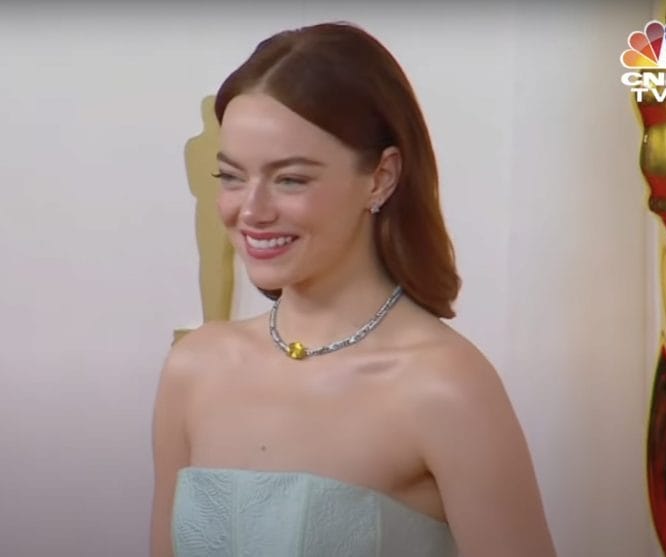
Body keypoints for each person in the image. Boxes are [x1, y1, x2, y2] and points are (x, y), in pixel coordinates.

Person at [150, 22, 555, 557]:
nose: (250, 211)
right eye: (231, 177)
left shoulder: (444, 388)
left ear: (381, 178)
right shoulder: (194, 368)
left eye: (290, 178)